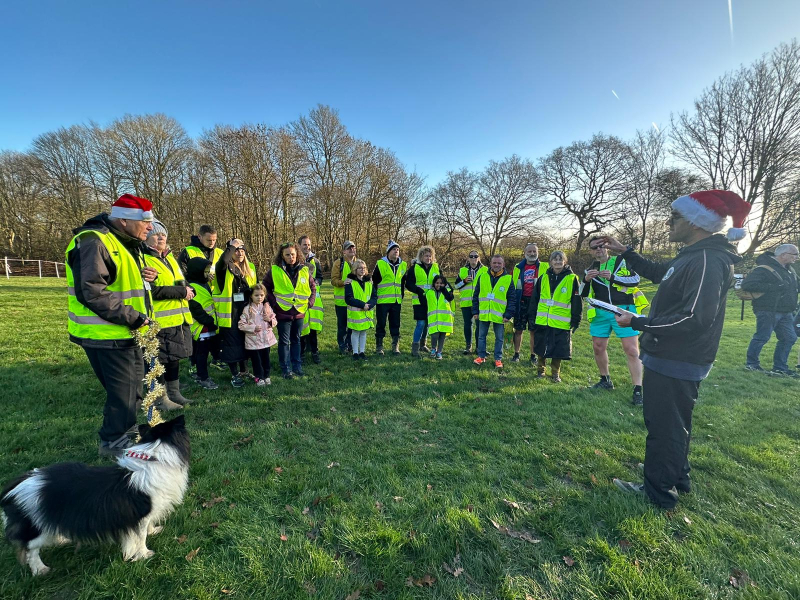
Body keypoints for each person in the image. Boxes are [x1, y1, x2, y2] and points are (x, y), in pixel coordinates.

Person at [606, 189, 750, 510]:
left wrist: (639, 322)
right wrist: (627, 252)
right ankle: (676, 474)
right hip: (672, 357)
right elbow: (660, 273)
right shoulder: (692, 254)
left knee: (664, 426)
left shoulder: (707, 260)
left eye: (675, 217)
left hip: (677, 358)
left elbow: (694, 318)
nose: (669, 222)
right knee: (674, 422)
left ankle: (658, 491)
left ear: (697, 223)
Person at [65, 194, 158, 457]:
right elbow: (92, 291)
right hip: (108, 333)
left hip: (123, 331)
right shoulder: (93, 241)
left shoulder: (122, 242)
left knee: (130, 391)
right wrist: (135, 318)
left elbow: (118, 278)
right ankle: (116, 444)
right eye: (146, 222)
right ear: (124, 221)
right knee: (123, 395)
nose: (150, 228)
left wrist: (146, 276)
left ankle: (125, 436)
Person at [581, 236, 648, 404]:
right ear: (591, 251)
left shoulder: (621, 261)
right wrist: (586, 280)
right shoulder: (590, 268)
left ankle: (638, 389)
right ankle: (605, 380)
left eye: (601, 246)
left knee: (631, 350)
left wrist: (613, 277)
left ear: (607, 247)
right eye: (594, 247)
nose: (598, 249)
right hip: (600, 312)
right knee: (598, 347)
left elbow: (635, 280)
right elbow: (582, 294)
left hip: (623, 310)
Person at [143, 221, 195, 409]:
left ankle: (174, 393)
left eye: (163, 234)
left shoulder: (169, 258)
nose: (161, 237)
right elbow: (152, 291)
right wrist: (182, 293)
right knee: (159, 361)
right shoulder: (144, 259)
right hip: (160, 320)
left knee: (174, 358)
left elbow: (181, 282)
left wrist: (190, 290)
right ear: (146, 237)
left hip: (178, 318)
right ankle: (160, 398)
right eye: (156, 235)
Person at [742, 244, 799, 376]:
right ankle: (752, 364)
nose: (797, 257)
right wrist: (775, 286)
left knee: (789, 338)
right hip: (768, 310)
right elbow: (748, 285)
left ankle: (780, 367)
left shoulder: (790, 270)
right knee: (762, 337)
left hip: (786, 311)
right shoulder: (763, 269)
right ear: (783, 255)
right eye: (794, 254)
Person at [263, 241, 316, 378]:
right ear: (282, 256)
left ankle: (297, 366)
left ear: (297, 254)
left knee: (296, 340)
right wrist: (274, 304)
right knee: (284, 341)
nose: (290, 257)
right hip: (283, 312)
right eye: (287, 255)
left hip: (299, 311)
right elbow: (265, 288)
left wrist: (309, 303)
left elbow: (313, 288)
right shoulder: (275, 270)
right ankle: (286, 368)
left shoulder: (304, 269)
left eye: (292, 254)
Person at [527, 250, 582, 382]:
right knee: (541, 347)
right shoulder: (543, 277)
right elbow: (535, 299)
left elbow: (577, 301)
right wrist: (532, 316)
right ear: (550, 262)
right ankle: (541, 370)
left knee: (558, 349)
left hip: (561, 322)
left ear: (565, 262)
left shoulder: (572, 279)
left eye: (560, 259)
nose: (557, 262)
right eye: (555, 259)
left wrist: (576, 319)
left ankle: (555, 373)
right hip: (543, 320)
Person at [213, 239, 257, 387]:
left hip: (245, 312)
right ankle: (234, 374)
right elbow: (223, 260)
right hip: (229, 313)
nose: (240, 253)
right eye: (236, 250)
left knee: (246, 342)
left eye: (242, 250)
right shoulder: (224, 268)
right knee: (232, 345)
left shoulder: (250, 268)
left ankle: (244, 370)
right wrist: (232, 245)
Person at [472, 255, 517, 368]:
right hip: (484, 313)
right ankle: (481, 356)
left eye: (499, 263)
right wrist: (475, 311)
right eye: (494, 263)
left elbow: (512, 299)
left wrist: (508, 314)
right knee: (481, 336)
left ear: (503, 265)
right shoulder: (482, 277)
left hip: (500, 315)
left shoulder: (508, 279)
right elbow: (475, 295)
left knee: (500, 338)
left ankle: (498, 359)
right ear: (490, 264)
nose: (496, 265)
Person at [185, 257, 219, 390]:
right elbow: (195, 308)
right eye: (204, 271)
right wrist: (208, 321)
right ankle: (203, 377)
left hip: (208, 326)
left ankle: (200, 374)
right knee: (202, 354)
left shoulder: (204, 283)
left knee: (204, 352)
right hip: (202, 327)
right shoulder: (192, 286)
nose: (207, 273)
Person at [511, 243, 548, 364]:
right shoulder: (517, 267)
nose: (532, 254)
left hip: (536, 303)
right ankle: (516, 354)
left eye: (534, 251)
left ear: (538, 253)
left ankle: (533, 355)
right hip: (520, 302)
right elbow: (512, 285)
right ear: (525, 253)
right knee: (518, 330)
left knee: (534, 331)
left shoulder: (545, 266)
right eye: (530, 251)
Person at [372, 240, 407, 355]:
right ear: (388, 252)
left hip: (396, 300)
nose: (396, 251)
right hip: (383, 300)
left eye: (398, 250)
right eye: (394, 249)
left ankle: (395, 346)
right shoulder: (381, 264)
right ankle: (379, 347)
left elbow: (403, 282)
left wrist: (402, 294)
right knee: (381, 324)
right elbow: (374, 281)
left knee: (395, 323)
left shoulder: (403, 264)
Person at [238, 283, 278, 386]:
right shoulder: (247, 309)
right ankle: (259, 377)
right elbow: (241, 325)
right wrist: (253, 328)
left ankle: (267, 376)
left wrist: (269, 320)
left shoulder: (267, 307)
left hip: (266, 340)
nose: (259, 297)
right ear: (251, 296)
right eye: (256, 295)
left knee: (266, 359)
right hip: (254, 341)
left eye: (261, 295)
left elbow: (274, 320)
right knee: (257, 361)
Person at [406, 245, 440, 357]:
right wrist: (418, 290)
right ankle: (414, 348)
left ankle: (422, 344)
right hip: (419, 301)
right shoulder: (414, 268)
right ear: (421, 256)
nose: (428, 258)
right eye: (426, 256)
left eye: (430, 256)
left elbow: (441, 281)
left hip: (431, 300)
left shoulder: (436, 267)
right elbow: (408, 284)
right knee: (420, 323)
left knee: (427, 324)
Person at [454, 251, 487, 354]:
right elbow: (456, 286)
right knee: (468, 324)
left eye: (475, 256)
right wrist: (464, 281)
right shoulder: (463, 270)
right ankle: (468, 347)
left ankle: (479, 347)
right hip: (466, 302)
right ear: (468, 258)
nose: (473, 258)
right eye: (471, 256)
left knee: (479, 325)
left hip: (479, 303)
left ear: (479, 258)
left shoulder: (485, 270)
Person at [345, 259, 377, 360]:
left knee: (363, 332)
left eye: (364, 268)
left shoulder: (369, 282)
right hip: (356, 312)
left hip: (366, 312)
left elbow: (374, 296)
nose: (362, 270)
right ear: (355, 269)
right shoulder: (350, 282)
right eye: (360, 268)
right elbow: (348, 298)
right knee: (355, 332)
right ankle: (355, 352)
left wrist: (370, 305)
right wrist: (362, 305)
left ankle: (362, 351)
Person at [299, 235, 324, 365]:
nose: (307, 247)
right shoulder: (295, 260)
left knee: (313, 327)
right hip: (301, 299)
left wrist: (317, 282)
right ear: (299, 246)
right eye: (304, 245)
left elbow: (320, 277)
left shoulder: (316, 261)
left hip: (314, 299)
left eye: (308, 245)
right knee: (302, 328)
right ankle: (301, 354)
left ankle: (315, 352)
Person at [332, 241, 358, 354]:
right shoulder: (339, 263)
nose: (351, 250)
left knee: (352, 324)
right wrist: (343, 282)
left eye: (353, 247)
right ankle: (342, 345)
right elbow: (333, 280)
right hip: (341, 301)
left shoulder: (359, 263)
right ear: (344, 251)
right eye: (349, 248)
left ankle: (350, 344)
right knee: (342, 326)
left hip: (354, 301)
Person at [425, 274, 455, 360]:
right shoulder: (429, 292)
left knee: (442, 336)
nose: (439, 285)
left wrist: (444, 289)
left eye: (441, 283)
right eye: (437, 283)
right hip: (434, 318)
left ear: (444, 284)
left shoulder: (447, 291)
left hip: (445, 318)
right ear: (434, 283)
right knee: (434, 335)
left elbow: (450, 298)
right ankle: (433, 349)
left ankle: (439, 351)